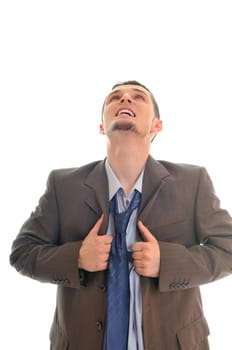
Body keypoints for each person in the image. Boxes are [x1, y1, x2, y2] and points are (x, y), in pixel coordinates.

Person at [10, 80, 232, 350]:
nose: (125, 99)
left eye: (138, 97)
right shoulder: (62, 185)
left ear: (156, 126)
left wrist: (168, 262)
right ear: (102, 126)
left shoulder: (192, 182)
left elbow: (227, 248)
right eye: (115, 97)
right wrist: (77, 257)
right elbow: (22, 252)